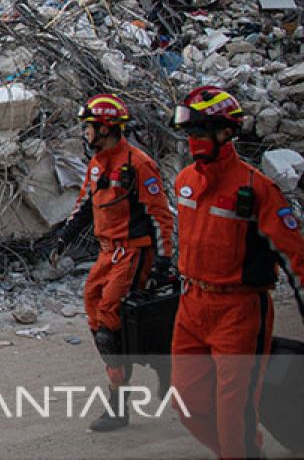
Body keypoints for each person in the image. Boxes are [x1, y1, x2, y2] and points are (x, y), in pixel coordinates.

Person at [170, 86, 304, 459]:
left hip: (239, 313)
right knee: (187, 402)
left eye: (200, 132)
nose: (192, 140)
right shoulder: (184, 182)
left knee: (235, 416)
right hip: (192, 308)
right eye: (189, 133)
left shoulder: (257, 190)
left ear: (225, 132)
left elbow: (296, 260)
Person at [50, 93, 175, 431]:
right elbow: (84, 206)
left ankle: (122, 402)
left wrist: (162, 264)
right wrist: (63, 238)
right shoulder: (96, 165)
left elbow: (160, 217)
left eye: (89, 127)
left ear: (105, 129)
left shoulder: (138, 165)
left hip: (133, 252)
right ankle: (137, 375)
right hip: (108, 253)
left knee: (110, 320)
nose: (85, 133)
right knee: (95, 314)